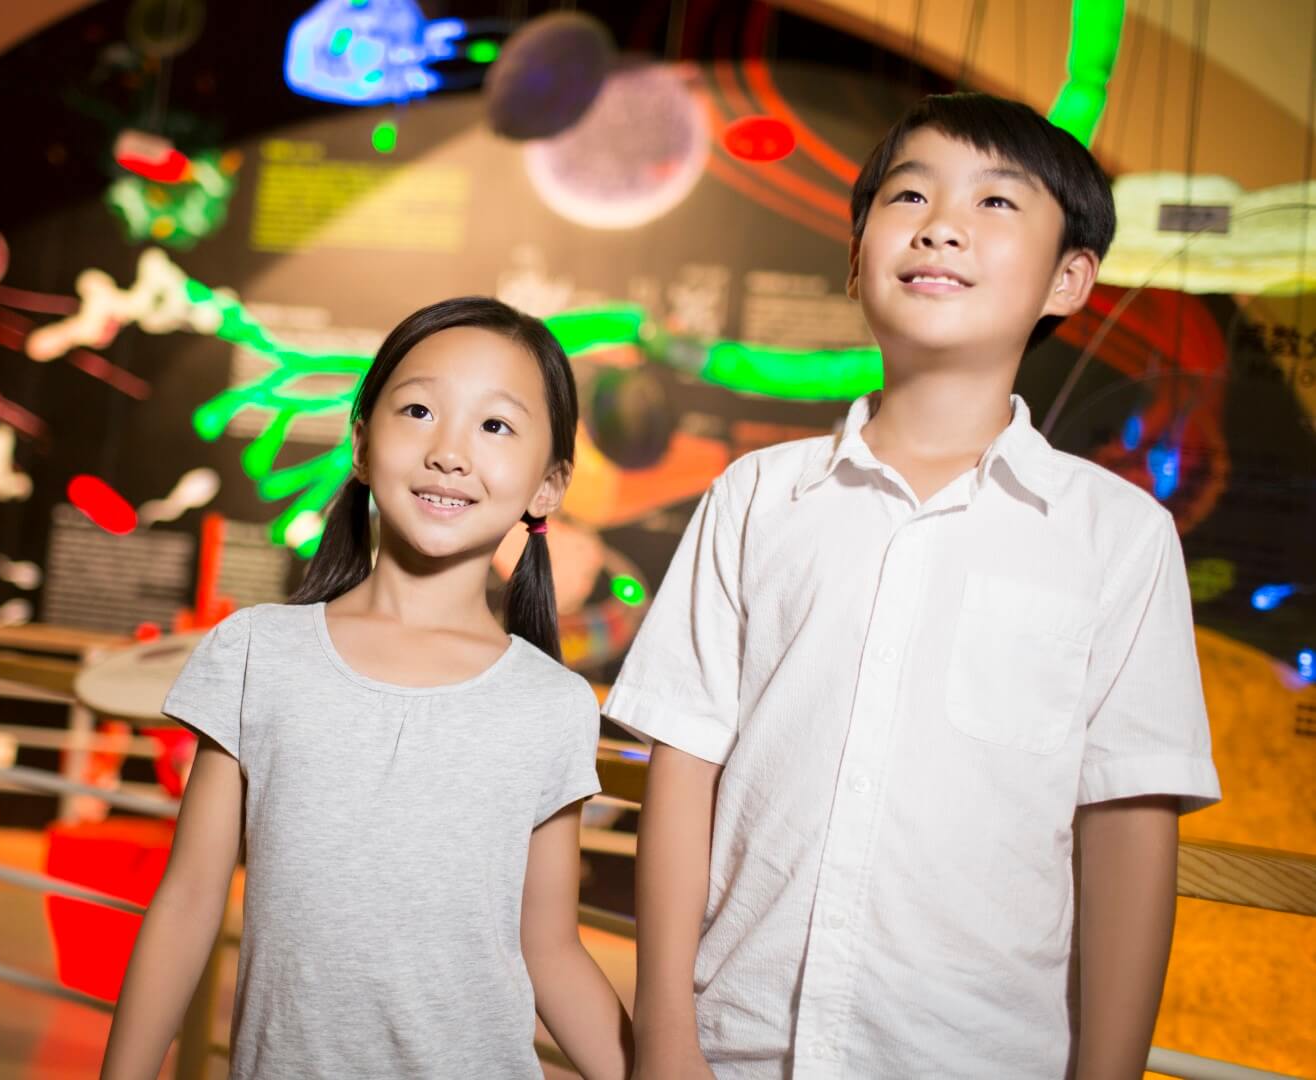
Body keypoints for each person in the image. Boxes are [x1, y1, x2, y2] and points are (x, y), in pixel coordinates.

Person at [610, 93, 1221, 1080]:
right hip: (736, 1050)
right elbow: (685, 768)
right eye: (908, 194)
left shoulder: (1121, 538)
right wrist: (668, 1035)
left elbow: (1128, 830)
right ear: (855, 260)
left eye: (996, 204)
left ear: (1070, 280)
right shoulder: (757, 496)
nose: (942, 221)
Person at [99, 296, 631, 1080]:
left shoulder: (549, 704)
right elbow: (185, 906)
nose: (450, 451)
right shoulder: (258, 653)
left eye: (495, 426)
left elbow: (549, 950)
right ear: (359, 439)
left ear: (548, 487)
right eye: (418, 409)